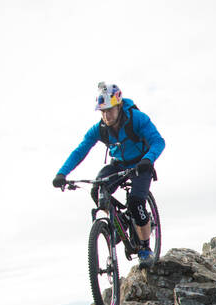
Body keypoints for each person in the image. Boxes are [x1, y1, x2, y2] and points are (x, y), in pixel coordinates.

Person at [53, 82, 165, 267]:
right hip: (119, 164)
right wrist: (62, 173)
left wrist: (148, 159)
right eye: (102, 111)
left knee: (137, 202)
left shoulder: (137, 118)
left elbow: (158, 141)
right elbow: (80, 151)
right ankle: (119, 222)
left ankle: (145, 248)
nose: (106, 115)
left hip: (141, 163)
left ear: (119, 106)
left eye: (110, 110)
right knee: (97, 190)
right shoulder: (99, 129)